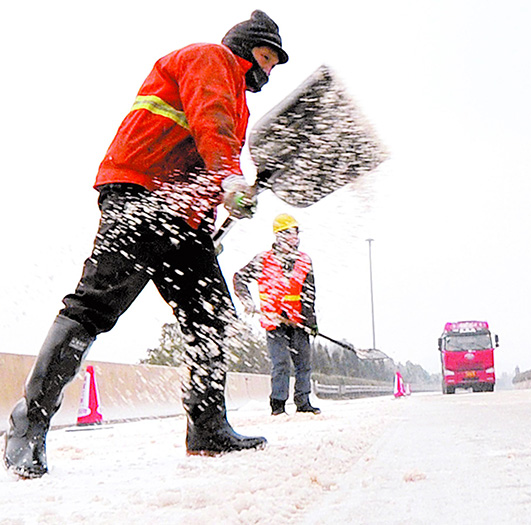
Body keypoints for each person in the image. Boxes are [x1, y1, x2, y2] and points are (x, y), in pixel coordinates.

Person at [3, 10, 289, 479]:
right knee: (95, 306)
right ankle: (29, 422)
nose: (268, 71)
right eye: (265, 57)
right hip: (140, 193)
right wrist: (232, 177)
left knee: (211, 313)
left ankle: (207, 427)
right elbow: (209, 121)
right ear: (245, 47)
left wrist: (207, 222)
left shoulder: (240, 100)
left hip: (180, 215)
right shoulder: (213, 59)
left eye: (274, 65)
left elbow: (201, 163)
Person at [233, 214, 321, 416]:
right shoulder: (263, 260)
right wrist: (247, 301)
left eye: (297, 233)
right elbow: (240, 278)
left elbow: (309, 294)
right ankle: (278, 405)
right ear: (281, 236)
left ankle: (303, 401)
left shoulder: (304, 261)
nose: (296, 238)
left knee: (303, 364)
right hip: (274, 321)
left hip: (298, 321)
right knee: (280, 363)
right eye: (292, 233)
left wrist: (311, 322)